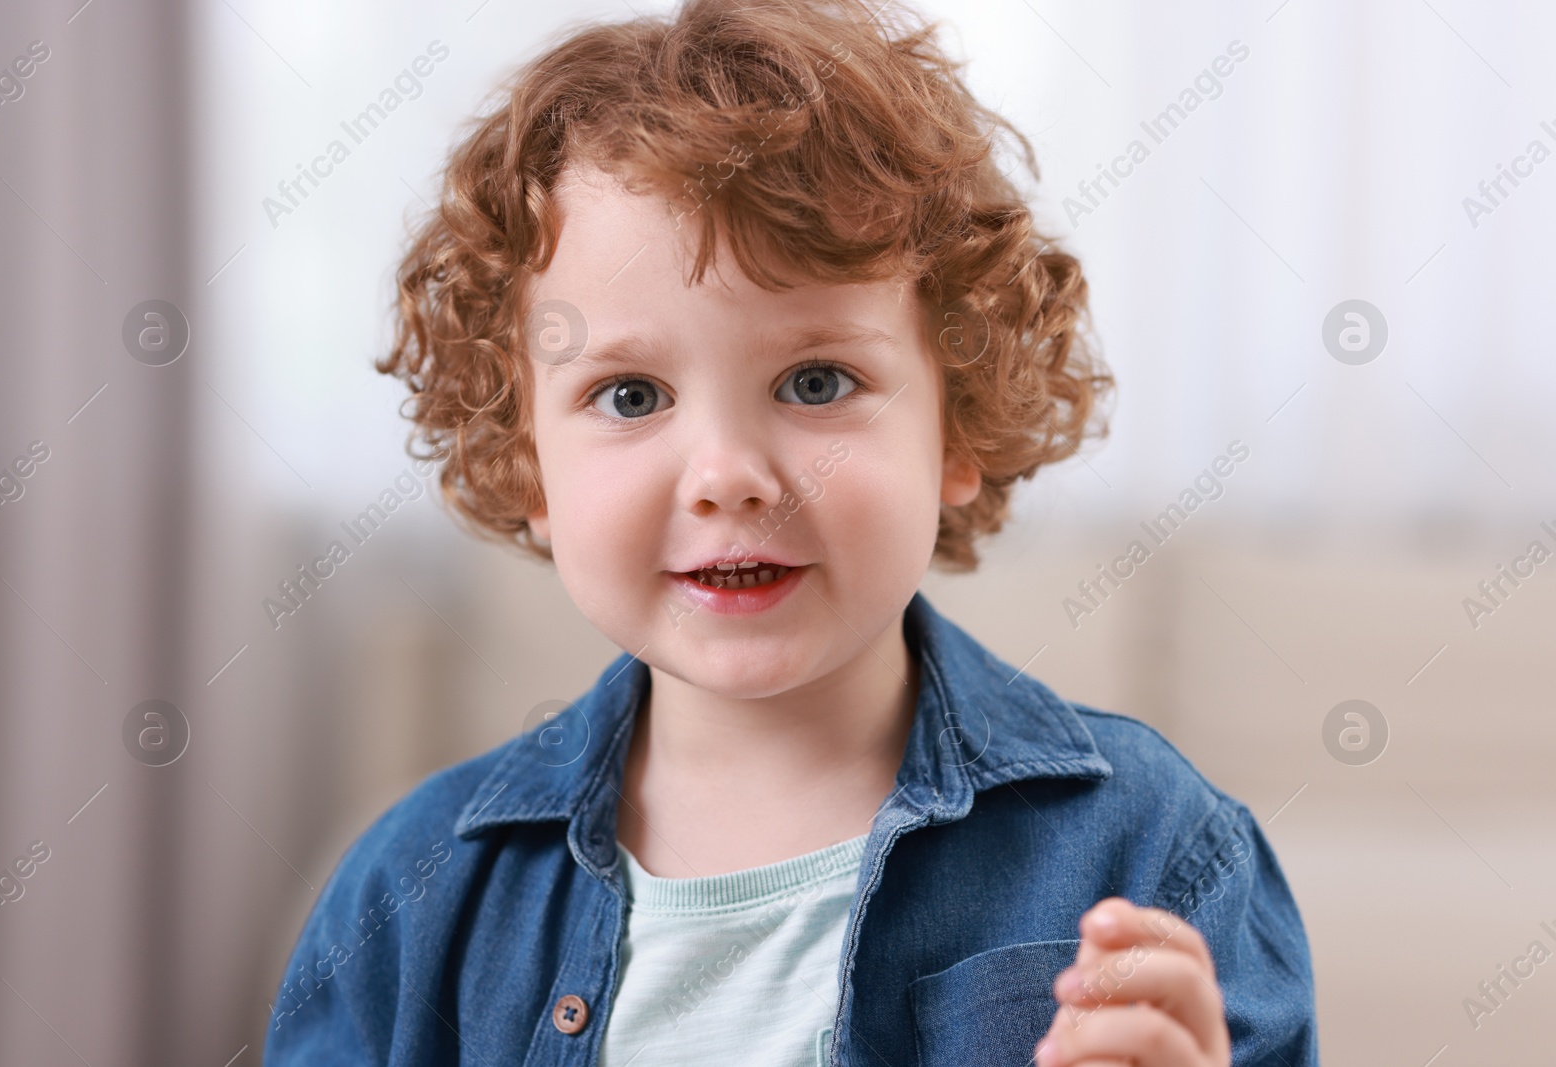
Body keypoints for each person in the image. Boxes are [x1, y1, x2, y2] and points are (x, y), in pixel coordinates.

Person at [263, 0, 1317, 1063]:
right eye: (630, 395)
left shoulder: (1156, 851)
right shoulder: (407, 897)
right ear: (526, 455)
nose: (728, 475)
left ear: (956, 421)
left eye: (816, 380)